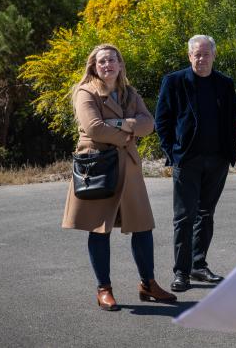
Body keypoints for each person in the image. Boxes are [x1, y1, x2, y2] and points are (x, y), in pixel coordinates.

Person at [62, 44, 176, 311]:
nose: (107, 65)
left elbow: (149, 124)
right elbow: (94, 128)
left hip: (129, 168)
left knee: (142, 226)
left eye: (112, 60)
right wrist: (128, 133)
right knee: (99, 229)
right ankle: (104, 289)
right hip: (98, 167)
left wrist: (120, 124)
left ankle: (148, 284)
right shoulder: (86, 91)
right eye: (102, 61)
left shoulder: (129, 93)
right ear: (94, 66)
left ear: (120, 64)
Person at [155, 35, 236, 292]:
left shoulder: (224, 83)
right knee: (184, 217)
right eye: (197, 54)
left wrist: (229, 152)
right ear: (189, 56)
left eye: (206, 54)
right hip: (187, 160)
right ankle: (181, 272)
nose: (201, 59)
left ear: (214, 55)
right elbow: (162, 121)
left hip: (217, 160)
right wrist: (173, 153)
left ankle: (198, 265)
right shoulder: (174, 81)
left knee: (206, 214)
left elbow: (233, 119)